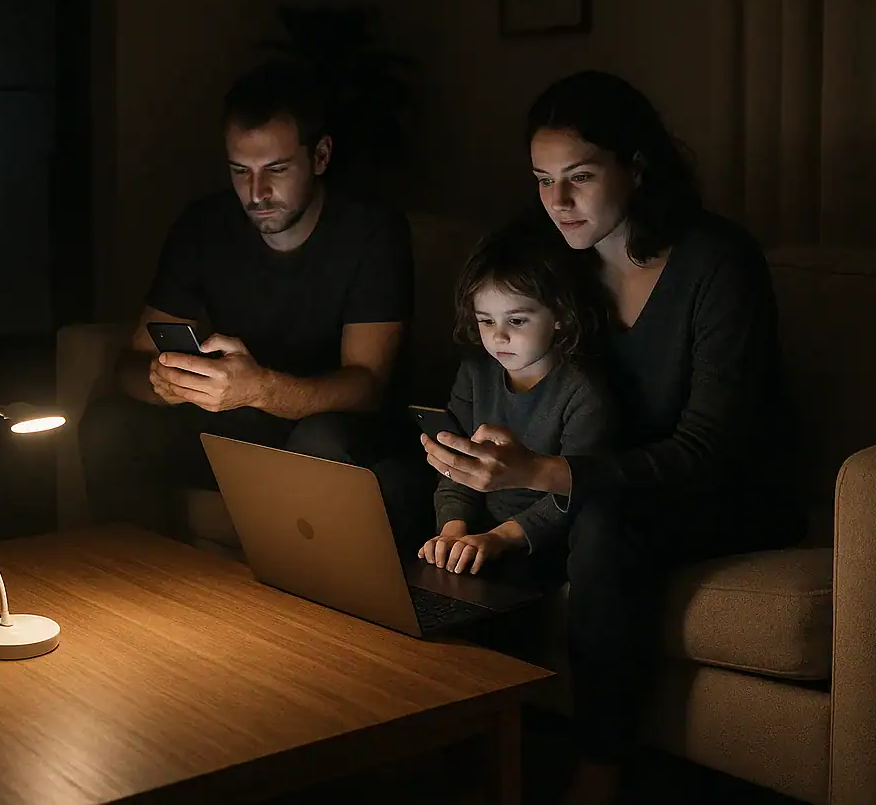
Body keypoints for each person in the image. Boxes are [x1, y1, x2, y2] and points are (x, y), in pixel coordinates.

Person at [420, 71, 804, 805]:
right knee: (455, 516)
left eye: (580, 178)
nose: (557, 202)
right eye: (541, 180)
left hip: (718, 491)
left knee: (600, 523)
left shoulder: (718, 264)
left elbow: (705, 455)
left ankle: (600, 768)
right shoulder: (555, 261)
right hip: (588, 475)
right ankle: (466, 740)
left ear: (636, 166)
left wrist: (541, 473)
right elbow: (504, 367)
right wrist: (478, 465)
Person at [78, 60, 429, 551]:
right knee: (110, 426)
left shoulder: (371, 233)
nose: (257, 193)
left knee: (320, 445)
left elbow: (367, 386)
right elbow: (130, 365)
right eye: (240, 171)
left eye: (277, 170)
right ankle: (138, 585)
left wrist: (259, 389)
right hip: (232, 423)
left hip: (327, 423)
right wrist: (163, 381)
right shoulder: (205, 226)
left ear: (321, 155)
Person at [419, 226, 614, 586]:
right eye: (486, 321)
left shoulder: (583, 394)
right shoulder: (476, 371)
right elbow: (456, 466)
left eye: (517, 320)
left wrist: (499, 539)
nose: (498, 336)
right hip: (479, 528)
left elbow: (574, 496)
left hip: (538, 543)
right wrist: (452, 531)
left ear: (560, 315)